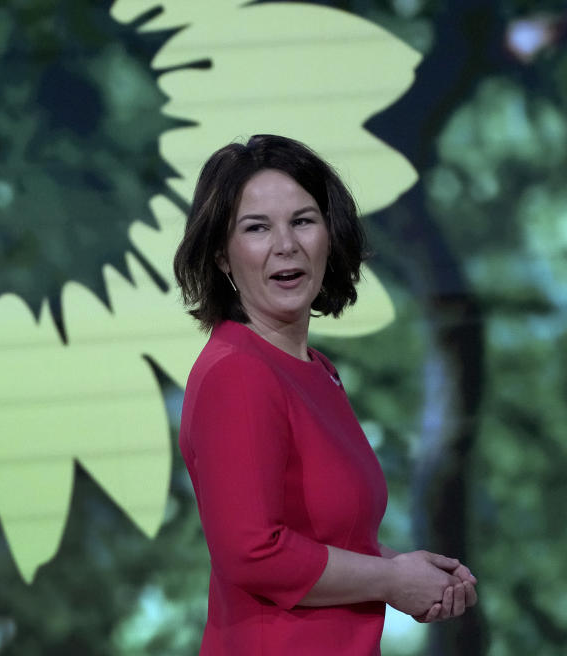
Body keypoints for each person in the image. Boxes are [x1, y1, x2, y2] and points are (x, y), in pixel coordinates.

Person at [173, 134, 477, 655]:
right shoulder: (239, 373)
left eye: (303, 220)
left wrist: (408, 573)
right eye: (256, 228)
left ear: (329, 235)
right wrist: (390, 580)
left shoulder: (315, 371)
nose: (285, 244)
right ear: (223, 255)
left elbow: (327, 537)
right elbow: (253, 552)